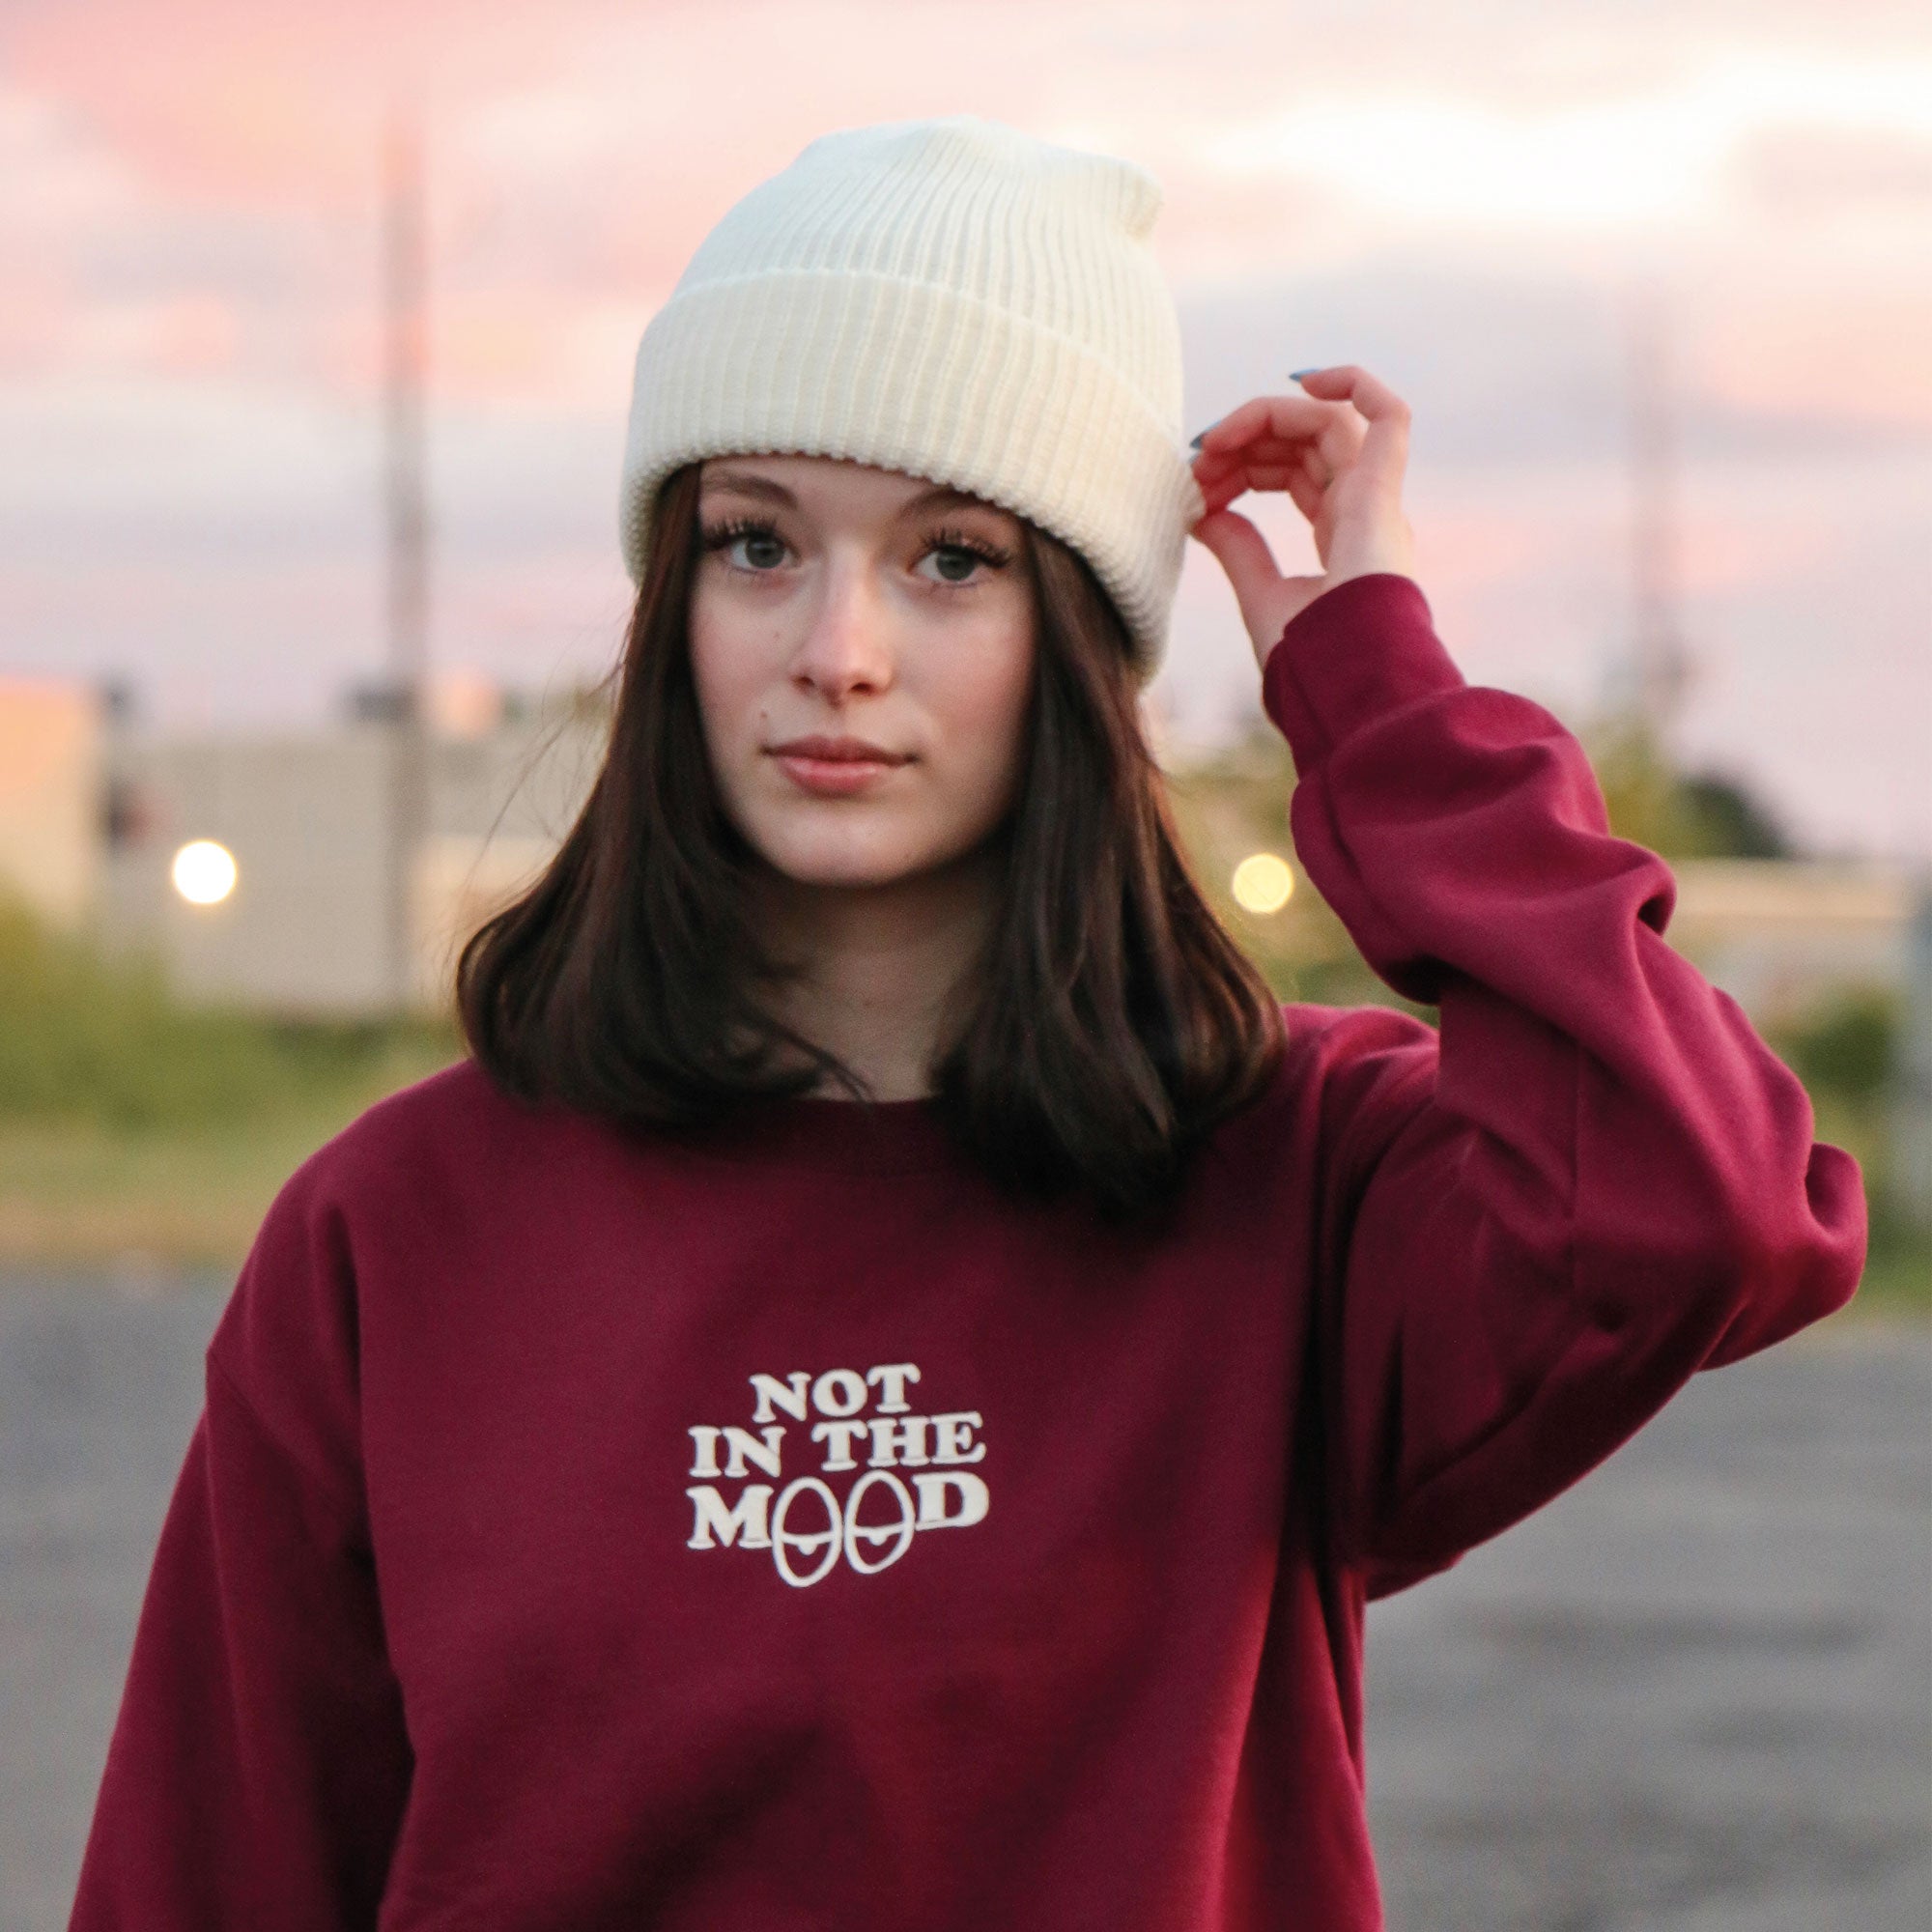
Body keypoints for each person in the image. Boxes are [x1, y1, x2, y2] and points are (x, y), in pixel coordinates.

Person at [69, 114, 1865, 1931]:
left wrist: (1375, 680)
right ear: (670, 607)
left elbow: (1702, 1203)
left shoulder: (1297, 1178)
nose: (837, 647)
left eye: (951, 562)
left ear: (1077, 634)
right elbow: (205, 1872)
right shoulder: (395, 1235)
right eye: (758, 545)